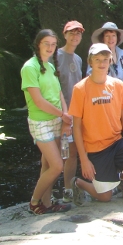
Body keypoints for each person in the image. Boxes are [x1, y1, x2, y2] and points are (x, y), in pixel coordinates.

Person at [69, 43, 123, 205]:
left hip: (116, 142)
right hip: (95, 149)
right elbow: (76, 127)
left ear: (110, 60)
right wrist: (84, 159)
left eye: (105, 59)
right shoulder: (80, 89)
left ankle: (122, 180)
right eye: (97, 59)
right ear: (90, 62)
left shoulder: (117, 85)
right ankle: (79, 183)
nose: (102, 63)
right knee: (105, 197)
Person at [21, 29, 72, 214]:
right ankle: (34, 202)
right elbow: (39, 101)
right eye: (46, 43)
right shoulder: (30, 67)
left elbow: (59, 94)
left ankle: (47, 204)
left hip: (56, 120)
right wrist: (62, 115)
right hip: (40, 122)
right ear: (38, 44)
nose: (50, 47)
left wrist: (66, 117)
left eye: (53, 44)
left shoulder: (49, 66)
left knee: (48, 165)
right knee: (57, 165)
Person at [89, 22, 123, 150]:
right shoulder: (95, 57)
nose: (111, 39)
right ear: (102, 38)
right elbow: (90, 78)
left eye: (113, 35)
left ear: (117, 38)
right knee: (112, 139)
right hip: (107, 100)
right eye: (107, 36)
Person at [56, 21, 84, 203]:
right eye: (71, 33)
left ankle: (68, 190)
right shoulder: (55, 56)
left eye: (78, 34)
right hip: (58, 113)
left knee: (72, 154)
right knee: (54, 157)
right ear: (64, 35)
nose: (75, 37)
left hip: (75, 113)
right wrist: (62, 114)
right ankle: (46, 195)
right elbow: (54, 88)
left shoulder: (79, 59)